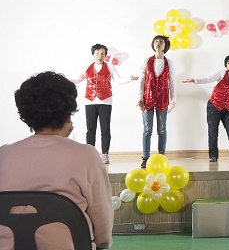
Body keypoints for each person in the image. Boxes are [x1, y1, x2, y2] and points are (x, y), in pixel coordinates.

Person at [0, 71, 113, 250]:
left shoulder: (3, 155)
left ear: (25, 114)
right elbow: (103, 229)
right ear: (68, 115)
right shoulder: (86, 156)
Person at [71, 43, 138, 164]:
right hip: (90, 101)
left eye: (102, 53)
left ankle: (105, 154)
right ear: (93, 54)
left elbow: (118, 80)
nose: (100, 56)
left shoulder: (109, 67)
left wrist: (129, 78)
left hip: (106, 101)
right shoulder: (87, 67)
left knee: (105, 129)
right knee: (90, 129)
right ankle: (90, 154)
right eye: (97, 53)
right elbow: (77, 79)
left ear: (105, 55)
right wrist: (62, 80)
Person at [138, 35, 176, 169]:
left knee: (162, 129)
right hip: (147, 99)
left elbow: (172, 82)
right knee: (147, 130)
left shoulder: (169, 63)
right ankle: (145, 157)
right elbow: (141, 81)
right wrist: (140, 98)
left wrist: (173, 100)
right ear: (153, 44)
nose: (158, 44)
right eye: (156, 41)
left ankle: (161, 157)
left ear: (165, 45)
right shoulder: (146, 61)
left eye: (161, 42)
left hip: (163, 100)